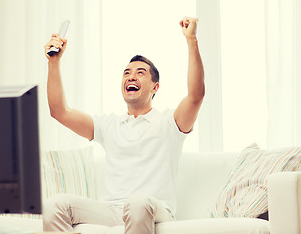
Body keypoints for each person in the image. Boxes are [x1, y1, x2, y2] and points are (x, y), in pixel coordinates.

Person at [42, 16, 205, 234]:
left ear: (155, 87)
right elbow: (59, 112)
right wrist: (54, 62)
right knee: (55, 204)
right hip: (112, 211)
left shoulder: (169, 123)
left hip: (155, 209)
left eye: (140, 73)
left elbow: (196, 96)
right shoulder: (108, 125)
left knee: (137, 202)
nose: (131, 77)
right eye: (126, 73)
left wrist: (191, 40)